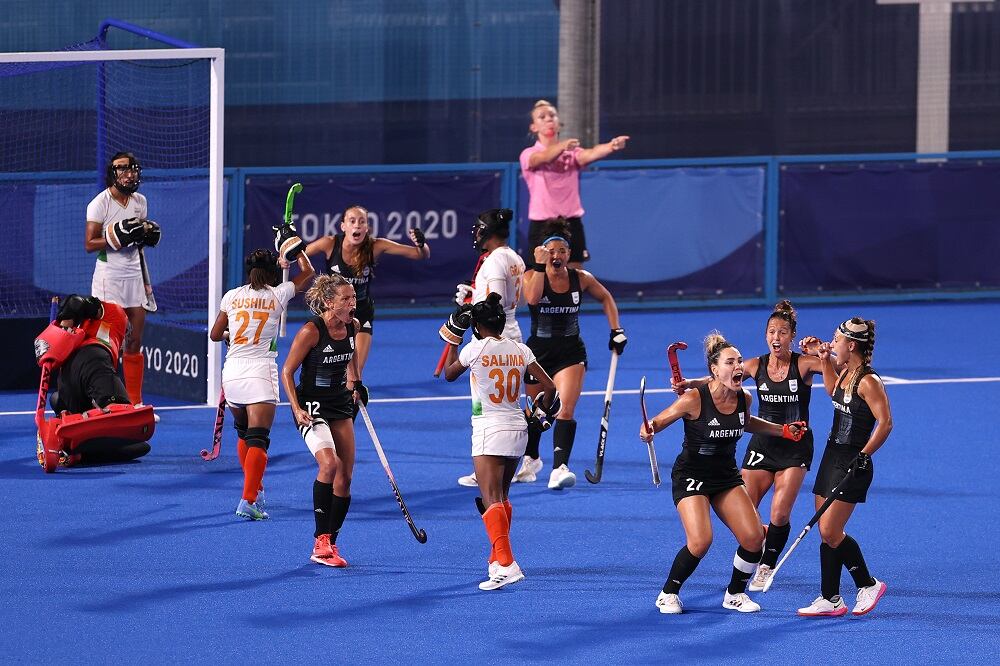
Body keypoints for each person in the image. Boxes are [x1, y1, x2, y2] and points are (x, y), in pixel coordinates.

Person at [639, 332, 807, 614]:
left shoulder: (745, 398)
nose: (738, 366)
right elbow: (660, 419)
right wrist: (649, 428)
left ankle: (734, 594)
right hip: (692, 476)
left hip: (725, 476)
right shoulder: (694, 399)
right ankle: (668, 592)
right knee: (701, 541)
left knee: (754, 539)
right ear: (715, 370)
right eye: (730, 362)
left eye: (740, 361)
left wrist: (782, 430)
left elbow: (746, 422)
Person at [671, 300, 825, 591]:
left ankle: (766, 565)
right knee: (746, 516)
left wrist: (822, 352)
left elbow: (837, 370)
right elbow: (721, 377)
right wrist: (691, 383)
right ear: (765, 335)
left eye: (782, 332)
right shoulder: (755, 365)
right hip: (762, 442)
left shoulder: (803, 364)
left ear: (792, 336)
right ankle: (757, 544)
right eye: (771, 332)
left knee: (779, 512)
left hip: (794, 442)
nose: (776, 338)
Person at [442, 292, 558, 590]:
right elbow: (549, 386)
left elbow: (449, 374)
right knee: (502, 498)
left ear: (477, 327)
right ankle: (496, 558)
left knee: (491, 499)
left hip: (488, 430)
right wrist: (540, 412)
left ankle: (507, 563)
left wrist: (454, 337)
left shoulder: (475, 349)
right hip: (518, 428)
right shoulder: (520, 349)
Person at [516, 221, 627, 489]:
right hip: (538, 353)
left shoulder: (581, 278)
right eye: (551, 251)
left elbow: (606, 298)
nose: (557, 256)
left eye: (562, 251)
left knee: (565, 408)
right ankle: (531, 458)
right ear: (542, 252)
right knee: (536, 412)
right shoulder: (532, 275)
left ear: (568, 253)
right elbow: (531, 299)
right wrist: (540, 266)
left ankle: (559, 467)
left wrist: (616, 329)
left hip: (570, 352)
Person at [795, 317, 892, 617]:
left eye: (836, 340)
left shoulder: (868, 381)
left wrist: (864, 454)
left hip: (854, 461)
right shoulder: (845, 371)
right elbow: (832, 392)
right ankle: (830, 598)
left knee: (830, 529)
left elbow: (885, 422)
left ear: (851, 345)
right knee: (827, 533)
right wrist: (824, 360)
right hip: (830, 456)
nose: (831, 342)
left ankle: (868, 584)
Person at [209, 246, 315, 520]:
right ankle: (248, 500)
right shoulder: (277, 294)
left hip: (231, 372)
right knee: (259, 439)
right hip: (259, 373)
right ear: (271, 273)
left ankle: (252, 486)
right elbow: (309, 273)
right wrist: (296, 249)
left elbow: (215, 333)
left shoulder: (231, 296)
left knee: (244, 433)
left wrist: (233, 334)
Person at [281, 274, 365, 567]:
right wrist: (295, 408)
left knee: (346, 476)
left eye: (353, 297)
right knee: (329, 465)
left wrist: (356, 381)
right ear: (330, 302)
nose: (352, 303)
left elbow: (352, 356)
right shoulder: (311, 331)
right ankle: (320, 541)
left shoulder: (352, 326)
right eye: (346, 299)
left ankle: (332, 541)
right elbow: (287, 372)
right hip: (311, 406)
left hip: (339, 404)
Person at [303, 204, 429, 374]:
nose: (357, 225)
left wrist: (421, 244)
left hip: (361, 312)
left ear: (367, 227)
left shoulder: (376, 245)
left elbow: (420, 254)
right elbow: (297, 255)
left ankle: (353, 397)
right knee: (325, 367)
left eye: (362, 222)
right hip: (331, 314)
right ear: (343, 226)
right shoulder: (330, 243)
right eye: (352, 221)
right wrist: (285, 254)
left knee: (356, 371)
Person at [454, 209, 527, 487]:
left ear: (487, 231)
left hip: (491, 338)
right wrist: (473, 296)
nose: (475, 234)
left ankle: (486, 465)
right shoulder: (513, 257)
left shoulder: (495, 261)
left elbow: (495, 301)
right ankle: (508, 460)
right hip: (508, 334)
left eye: (478, 229)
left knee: (484, 407)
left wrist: (470, 308)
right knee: (506, 403)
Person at [37, 294, 153, 466]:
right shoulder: (116, 314)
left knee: (138, 447)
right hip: (93, 361)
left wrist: (61, 329)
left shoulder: (80, 327)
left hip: (67, 383)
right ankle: (76, 445)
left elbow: (75, 306)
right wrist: (63, 324)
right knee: (126, 422)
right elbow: (76, 302)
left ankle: (74, 450)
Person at [85, 152, 162, 409]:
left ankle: (135, 404)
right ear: (113, 173)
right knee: (107, 344)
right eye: (123, 169)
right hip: (109, 278)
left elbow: (137, 236)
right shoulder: (99, 203)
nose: (129, 174)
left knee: (135, 339)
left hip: (135, 275)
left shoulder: (140, 201)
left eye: (133, 169)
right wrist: (117, 237)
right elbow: (89, 244)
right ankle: (104, 401)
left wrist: (144, 234)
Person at [519, 99, 629, 268]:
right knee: (540, 276)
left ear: (558, 124)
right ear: (533, 127)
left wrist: (611, 146)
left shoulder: (572, 154)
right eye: (542, 117)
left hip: (571, 223)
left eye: (552, 115)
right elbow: (541, 158)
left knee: (575, 277)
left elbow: (591, 153)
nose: (549, 119)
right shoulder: (529, 154)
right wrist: (562, 145)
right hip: (542, 224)